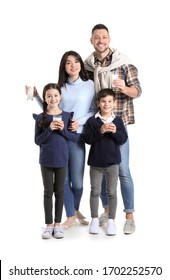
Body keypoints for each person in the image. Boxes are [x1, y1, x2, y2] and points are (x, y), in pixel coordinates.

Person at [28, 50, 96, 229]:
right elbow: (50, 105)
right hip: (57, 138)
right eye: (68, 62)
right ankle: (70, 215)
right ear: (64, 67)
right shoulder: (61, 86)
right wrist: (35, 95)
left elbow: (94, 110)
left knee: (78, 182)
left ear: (81, 64)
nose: (73, 65)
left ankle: (74, 209)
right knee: (63, 181)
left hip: (76, 136)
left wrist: (78, 122)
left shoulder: (90, 85)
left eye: (76, 61)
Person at [84, 24, 142, 234]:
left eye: (104, 37)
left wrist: (124, 88)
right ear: (91, 41)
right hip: (98, 124)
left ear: (109, 39)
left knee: (123, 171)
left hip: (118, 125)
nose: (101, 40)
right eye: (97, 37)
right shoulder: (88, 66)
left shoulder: (124, 64)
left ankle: (129, 216)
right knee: (99, 168)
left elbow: (138, 91)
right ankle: (108, 213)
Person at [34, 83, 77, 239]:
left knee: (59, 192)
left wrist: (63, 129)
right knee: (48, 192)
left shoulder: (67, 115)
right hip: (46, 160)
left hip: (62, 159)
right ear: (45, 98)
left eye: (55, 95)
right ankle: (48, 225)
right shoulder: (41, 117)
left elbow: (73, 137)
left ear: (60, 97)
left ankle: (58, 225)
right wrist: (50, 128)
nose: (53, 98)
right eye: (49, 96)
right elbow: (37, 140)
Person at [84, 88, 128, 236]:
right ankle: (94, 219)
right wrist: (100, 131)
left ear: (114, 103)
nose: (106, 104)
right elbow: (88, 139)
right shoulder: (92, 121)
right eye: (103, 101)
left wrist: (115, 132)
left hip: (113, 164)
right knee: (95, 191)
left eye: (109, 101)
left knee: (112, 192)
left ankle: (111, 221)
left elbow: (123, 139)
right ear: (98, 103)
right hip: (95, 163)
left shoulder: (118, 121)